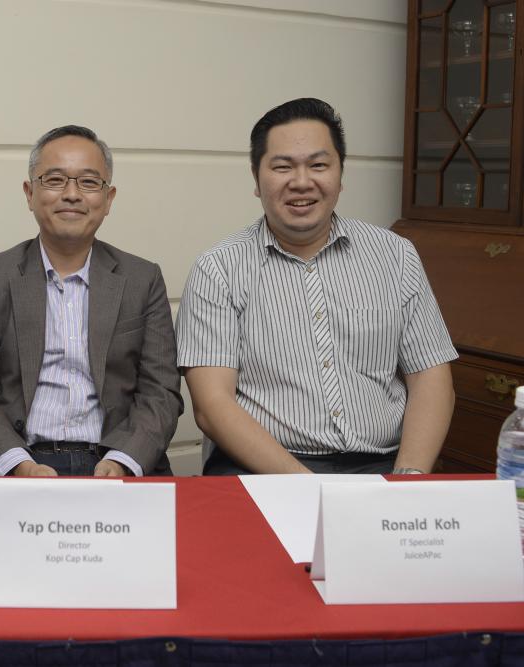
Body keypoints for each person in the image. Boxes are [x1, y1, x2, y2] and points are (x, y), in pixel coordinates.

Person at [176, 98, 457, 475]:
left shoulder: (395, 255)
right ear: (256, 179)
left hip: (382, 464)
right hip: (262, 468)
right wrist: (312, 490)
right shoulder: (218, 269)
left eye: (319, 165)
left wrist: (408, 478)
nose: (302, 182)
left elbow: (430, 376)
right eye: (282, 167)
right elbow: (213, 405)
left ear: (340, 175)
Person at [0, 125, 183, 477]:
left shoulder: (142, 280)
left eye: (88, 182)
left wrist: (122, 461)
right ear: (30, 193)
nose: (72, 194)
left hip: (113, 458)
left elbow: (161, 392)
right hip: (21, 459)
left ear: (108, 199)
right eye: (55, 180)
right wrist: (19, 465)